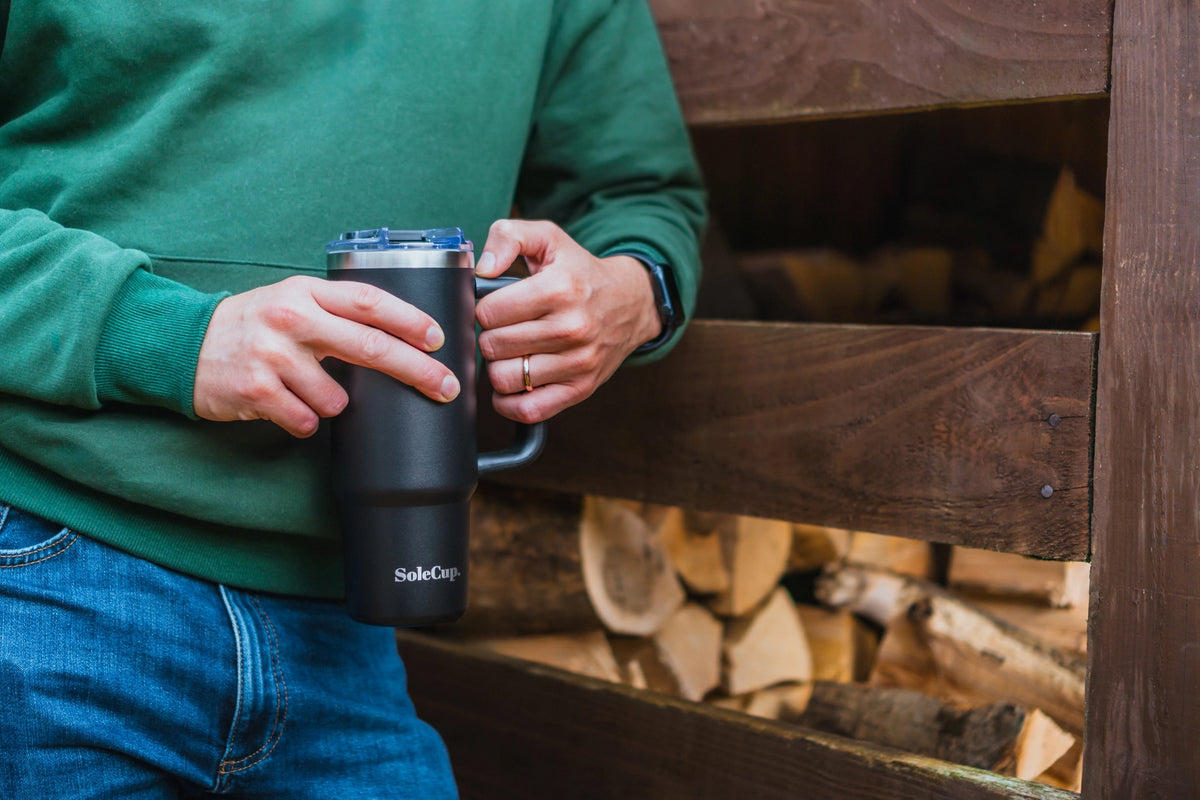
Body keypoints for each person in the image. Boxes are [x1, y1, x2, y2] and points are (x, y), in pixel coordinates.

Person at [0, 1, 705, 798]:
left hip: (352, 624)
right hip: (45, 576)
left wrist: (634, 290)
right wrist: (159, 334)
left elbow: (644, 197)